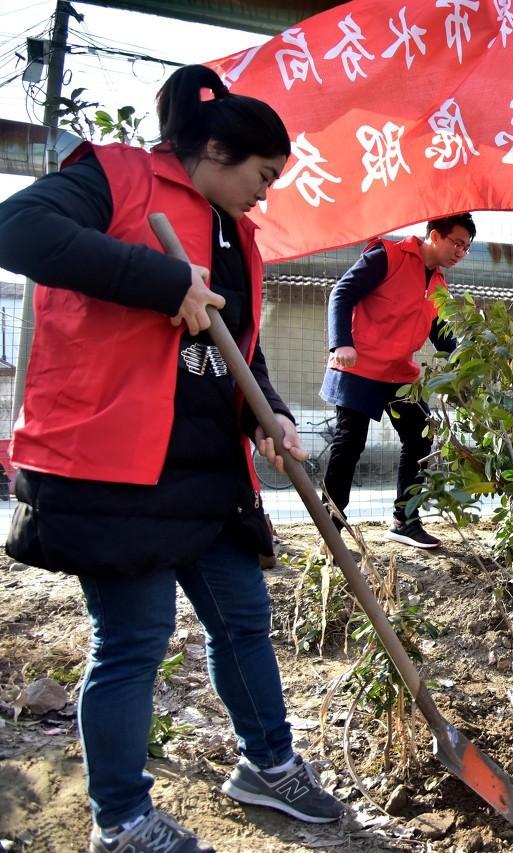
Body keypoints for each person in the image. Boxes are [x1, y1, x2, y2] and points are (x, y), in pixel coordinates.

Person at [0, 65, 342, 853]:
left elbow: (238, 351)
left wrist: (273, 415)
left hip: (205, 471)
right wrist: (160, 280)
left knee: (244, 618)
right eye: (261, 176)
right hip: (115, 465)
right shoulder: (115, 177)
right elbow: (18, 229)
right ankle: (119, 820)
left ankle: (269, 764)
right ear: (215, 148)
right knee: (134, 639)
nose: (265, 195)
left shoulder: (238, 235)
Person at [320, 213, 475, 549]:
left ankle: (405, 520)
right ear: (435, 235)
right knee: (349, 444)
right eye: (457, 243)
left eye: (466, 247)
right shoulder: (386, 257)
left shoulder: (437, 285)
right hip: (359, 366)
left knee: (420, 438)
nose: (461, 252)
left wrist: (466, 362)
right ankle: (330, 525)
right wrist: (341, 342)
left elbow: (441, 335)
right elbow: (342, 292)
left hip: (399, 375)